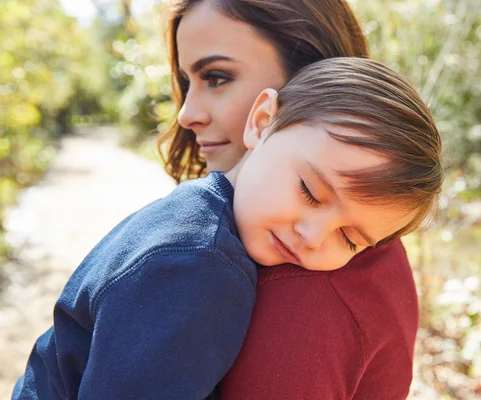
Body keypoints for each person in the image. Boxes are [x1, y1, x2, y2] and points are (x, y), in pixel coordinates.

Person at [12, 57, 442, 399]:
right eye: (310, 192)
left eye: (349, 239)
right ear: (261, 122)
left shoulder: (194, 211)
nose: (312, 236)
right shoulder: (197, 268)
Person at [161, 0, 433, 399]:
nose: (186, 114)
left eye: (217, 77)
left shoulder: (302, 289)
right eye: (187, 81)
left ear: (309, 70)